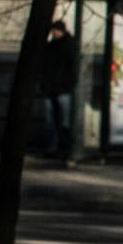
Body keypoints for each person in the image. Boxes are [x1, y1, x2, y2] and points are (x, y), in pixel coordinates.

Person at [37, 20, 78, 160]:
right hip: (53, 88)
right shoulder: (51, 47)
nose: (55, 33)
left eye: (57, 30)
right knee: (51, 121)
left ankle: (65, 148)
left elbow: (72, 68)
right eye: (54, 30)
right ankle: (55, 148)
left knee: (63, 121)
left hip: (62, 89)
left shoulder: (68, 45)